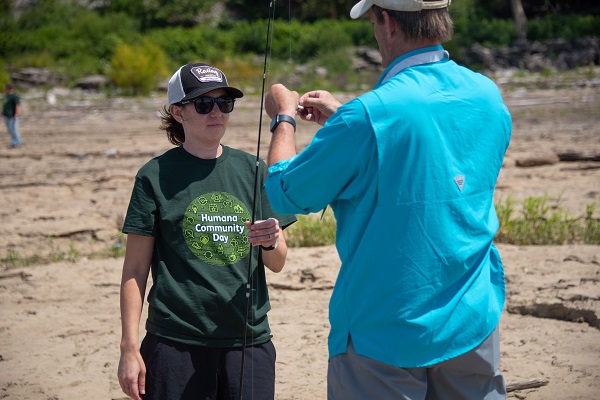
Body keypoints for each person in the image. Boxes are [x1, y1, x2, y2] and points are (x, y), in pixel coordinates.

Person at [263, 1, 512, 399]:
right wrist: (345, 120)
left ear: (388, 21)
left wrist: (284, 119)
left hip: (382, 329)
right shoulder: (487, 95)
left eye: (373, 21)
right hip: (472, 317)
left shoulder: (366, 117)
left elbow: (284, 194)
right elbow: (440, 173)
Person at [117, 62, 296, 400]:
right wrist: (129, 347)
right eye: (203, 104)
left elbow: (278, 262)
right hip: (175, 343)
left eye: (224, 103)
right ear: (178, 112)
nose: (217, 112)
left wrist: (271, 241)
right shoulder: (153, 176)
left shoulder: (254, 169)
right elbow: (135, 270)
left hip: (248, 340)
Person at [3, 83, 22, 148]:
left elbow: (17, 105)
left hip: (12, 116)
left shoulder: (14, 96)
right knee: (10, 130)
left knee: (13, 129)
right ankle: (13, 142)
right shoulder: (6, 96)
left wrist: (16, 114)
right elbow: (5, 105)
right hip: (7, 116)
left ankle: (17, 142)